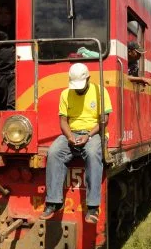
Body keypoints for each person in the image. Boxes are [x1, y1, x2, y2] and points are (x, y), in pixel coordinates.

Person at [41, 63, 112, 224]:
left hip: (94, 133)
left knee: (93, 153)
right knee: (53, 152)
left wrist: (88, 135)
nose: (78, 89)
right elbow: (63, 121)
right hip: (72, 133)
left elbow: (104, 120)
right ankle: (53, 202)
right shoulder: (65, 94)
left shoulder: (100, 92)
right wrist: (69, 136)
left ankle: (93, 207)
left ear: (88, 79)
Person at [0, 5, 16, 110]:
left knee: (11, 104)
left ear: (12, 16)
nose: (4, 17)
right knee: (0, 104)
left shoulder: (17, 29)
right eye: (0, 14)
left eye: (6, 13)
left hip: (14, 72)